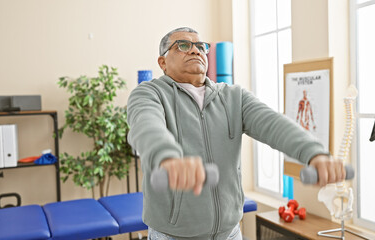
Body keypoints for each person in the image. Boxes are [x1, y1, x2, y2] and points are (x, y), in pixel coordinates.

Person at [127, 27, 345, 240]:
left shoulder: (233, 97)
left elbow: (273, 123)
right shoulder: (149, 94)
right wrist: (167, 157)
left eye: (201, 46)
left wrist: (314, 153)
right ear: (162, 62)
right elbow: (146, 125)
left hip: (229, 233)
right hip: (172, 235)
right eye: (183, 45)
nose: (195, 50)